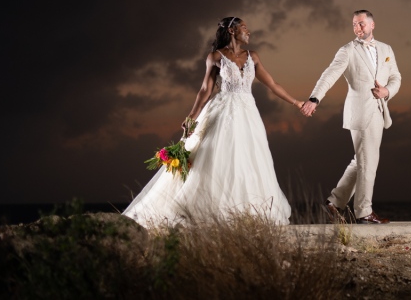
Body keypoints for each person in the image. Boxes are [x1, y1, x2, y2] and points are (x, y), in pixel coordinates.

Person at [123, 17, 304, 227]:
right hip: (223, 112)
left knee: (249, 160)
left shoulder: (252, 56)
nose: (249, 32)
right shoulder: (215, 57)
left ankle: (246, 212)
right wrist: (191, 116)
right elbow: (205, 90)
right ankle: (208, 211)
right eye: (244, 28)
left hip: (248, 115)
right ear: (232, 30)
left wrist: (296, 102)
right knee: (217, 158)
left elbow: (272, 84)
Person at [300, 10, 401, 224]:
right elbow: (329, 74)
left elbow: (395, 76)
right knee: (368, 161)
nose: (358, 28)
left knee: (361, 160)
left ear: (372, 25)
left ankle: (334, 203)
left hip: (379, 111)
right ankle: (364, 212)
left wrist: (387, 91)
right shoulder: (347, 50)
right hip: (361, 112)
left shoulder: (386, 49)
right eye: (354, 24)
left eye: (362, 24)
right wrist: (314, 99)